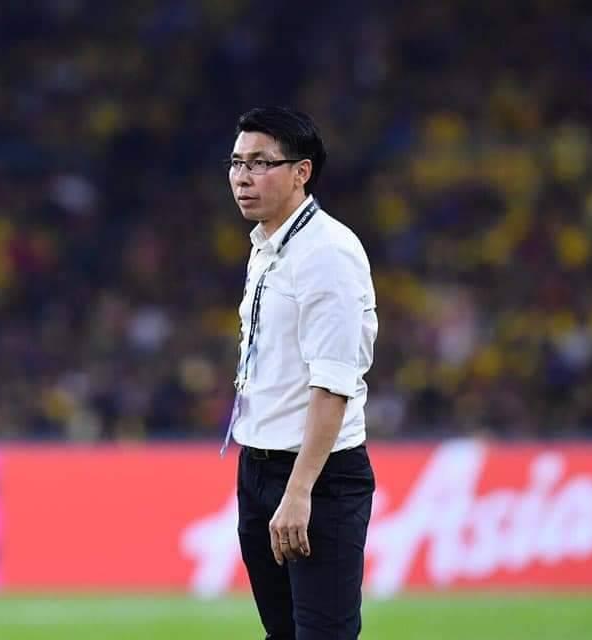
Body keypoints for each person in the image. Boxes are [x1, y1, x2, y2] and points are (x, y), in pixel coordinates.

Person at [222, 106, 378, 639]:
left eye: (260, 162)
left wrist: (298, 490)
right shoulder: (266, 247)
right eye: (237, 162)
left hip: (317, 476)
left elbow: (332, 384)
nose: (243, 177)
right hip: (258, 468)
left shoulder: (328, 253)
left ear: (301, 172)